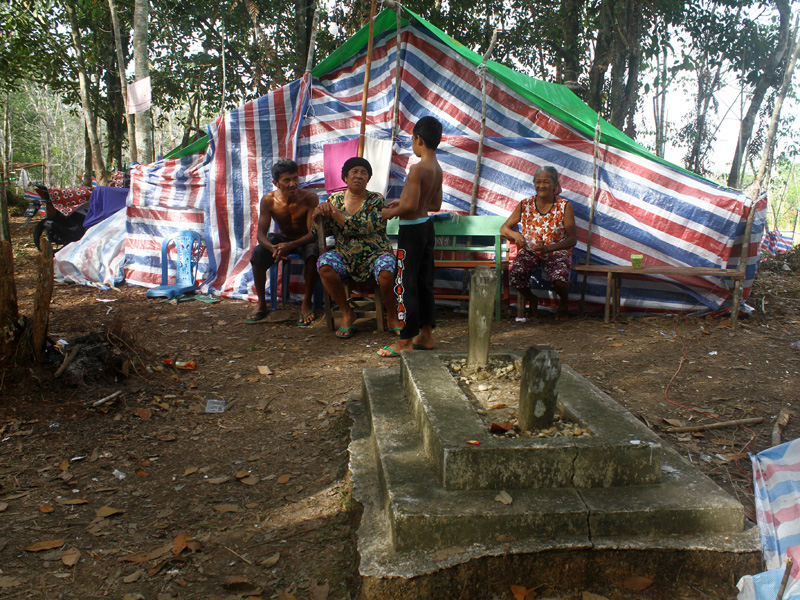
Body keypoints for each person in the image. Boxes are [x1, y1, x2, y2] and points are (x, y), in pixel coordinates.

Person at [313, 157, 401, 339]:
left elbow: (363, 227)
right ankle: (347, 312)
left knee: (387, 267)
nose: (359, 176)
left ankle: (392, 316)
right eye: (354, 172)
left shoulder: (375, 199)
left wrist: (335, 214)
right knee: (325, 264)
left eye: (364, 173)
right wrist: (316, 215)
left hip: (375, 254)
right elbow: (315, 232)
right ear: (345, 177)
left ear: (368, 179)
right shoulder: (334, 200)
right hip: (345, 255)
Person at [377, 116, 443, 357]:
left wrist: (389, 212)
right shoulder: (437, 169)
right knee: (424, 283)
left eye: (412, 140)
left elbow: (410, 206)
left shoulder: (417, 169)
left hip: (412, 231)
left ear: (419, 139)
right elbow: (433, 204)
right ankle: (425, 335)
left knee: (404, 285)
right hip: (426, 227)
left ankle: (405, 341)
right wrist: (403, 202)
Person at [246, 159, 319, 325]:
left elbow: (313, 233)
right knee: (258, 253)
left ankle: (307, 302)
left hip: (304, 239)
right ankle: (261, 303)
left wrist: (290, 246)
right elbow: (261, 235)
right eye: (287, 180)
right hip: (282, 238)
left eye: (295, 178)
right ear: (276, 183)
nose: (293, 184)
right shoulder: (269, 200)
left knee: (313, 253)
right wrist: (273, 249)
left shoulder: (309, 198)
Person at [500, 165, 577, 320]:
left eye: (546, 182)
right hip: (531, 251)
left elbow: (572, 239)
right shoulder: (525, 204)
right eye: (538, 181)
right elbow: (504, 228)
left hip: (555, 251)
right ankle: (532, 299)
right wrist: (516, 235)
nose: (541, 185)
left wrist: (548, 248)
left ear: (555, 185)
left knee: (559, 279)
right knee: (515, 275)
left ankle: (564, 302)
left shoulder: (564, 206)